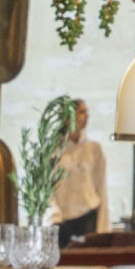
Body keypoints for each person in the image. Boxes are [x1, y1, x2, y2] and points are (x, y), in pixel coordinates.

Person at [50, 99, 107, 241]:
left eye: (87, 112)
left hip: (88, 214)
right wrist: (54, 215)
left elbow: (101, 186)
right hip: (62, 218)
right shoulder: (53, 150)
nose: (86, 116)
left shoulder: (94, 148)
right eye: (81, 112)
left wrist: (103, 227)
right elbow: (47, 187)